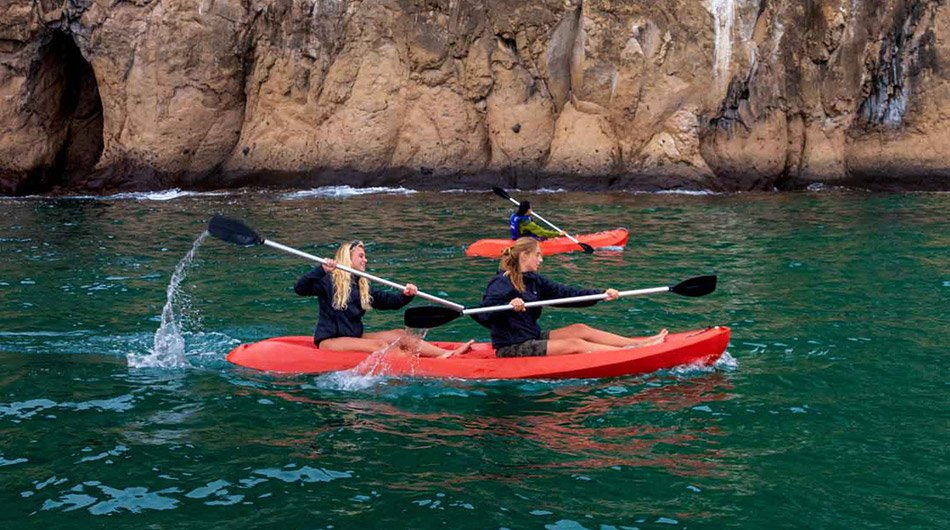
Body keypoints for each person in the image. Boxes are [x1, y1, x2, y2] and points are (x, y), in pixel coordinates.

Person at [478, 237, 667, 357]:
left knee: (580, 329)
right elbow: (484, 313)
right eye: (538, 255)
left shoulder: (534, 280)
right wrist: (509, 304)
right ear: (525, 256)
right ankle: (632, 354)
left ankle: (640, 343)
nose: (541, 260)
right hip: (512, 347)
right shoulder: (501, 282)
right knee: (575, 344)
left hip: (531, 337)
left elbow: (567, 294)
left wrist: (601, 294)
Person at [295, 240, 473, 358]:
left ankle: (447, 354)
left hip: (354, 336)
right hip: (330, 341)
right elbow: (300, 288)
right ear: (347, 259)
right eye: (361, 256)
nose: (365, 260)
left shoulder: (362, 285)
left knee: (400, 335)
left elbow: (390, 302)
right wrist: (321, 269)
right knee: (379, 344)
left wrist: (406, 295)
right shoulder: (327, 281)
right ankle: (425, 365)